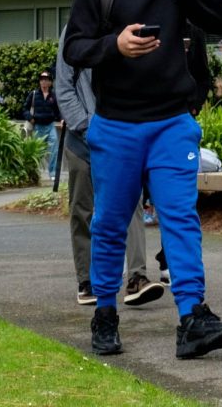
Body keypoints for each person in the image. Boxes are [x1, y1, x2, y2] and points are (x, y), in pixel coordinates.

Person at [62, 0, 222, 359]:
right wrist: (114, 46)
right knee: (110, 224)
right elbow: (74, 49)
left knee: (181, 220)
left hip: (171, 125)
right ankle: (104, 314)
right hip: (117, 125)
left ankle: (192, 318)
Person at [55, 27, 166, 309]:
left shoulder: (130, 27)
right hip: (82, 140)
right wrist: (87, 126)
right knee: (84, 209)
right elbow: (64, 87)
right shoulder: (74, 32)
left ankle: (137, 277)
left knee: (132, 205)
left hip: (123, 137)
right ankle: (87, 280)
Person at [23, 71, 61, 179]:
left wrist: (62, 119)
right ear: (39, 82)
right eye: (42, 79)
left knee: (54, 149)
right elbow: (25, 109)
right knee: (37, 151)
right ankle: (35, 173)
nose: (44, 81)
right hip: (38, 127)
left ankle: (52, 173)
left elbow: (59, 111)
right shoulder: (34, 94)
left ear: (50, 82)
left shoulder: (53, 96)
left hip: (50, 126)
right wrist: (30, 118)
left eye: (46, 79)